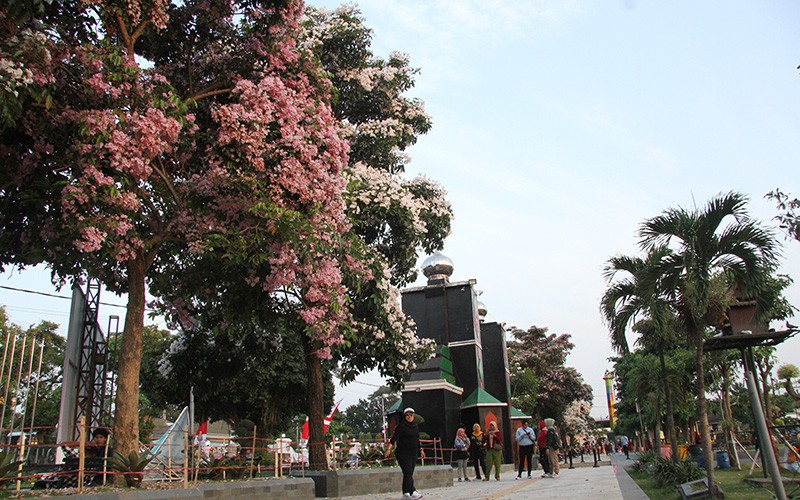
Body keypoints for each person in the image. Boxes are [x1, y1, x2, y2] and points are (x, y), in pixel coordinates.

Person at [385, 407, 425, 500]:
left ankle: (406, 493)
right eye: (407, 415)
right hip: (403, 454)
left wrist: (421, 450)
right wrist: (388, 449)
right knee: (408, 472)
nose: (409, 417)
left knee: (408, 473)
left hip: (413, 453)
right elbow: (394, 438)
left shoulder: (415, 426)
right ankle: (413, 491)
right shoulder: (401, 426)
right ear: (404, 416)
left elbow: (417, 439)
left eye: (411, 415)